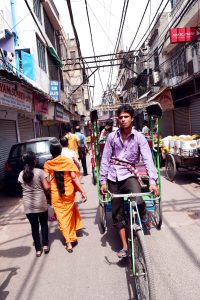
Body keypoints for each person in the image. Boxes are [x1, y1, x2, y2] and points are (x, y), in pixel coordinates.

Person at [100, 104, 159, 258]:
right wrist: (102, 182)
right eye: (120, 117)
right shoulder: (112, 137)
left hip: (129, 175)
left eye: (126, 117)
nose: (123, 120)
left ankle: (144, 213)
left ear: (132, 119)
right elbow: (105, 159)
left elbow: (148, 159)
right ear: (117, 120)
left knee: (139, 200)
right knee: (116, 215)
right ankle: (125, 247)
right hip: (113, 176)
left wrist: (152, 181)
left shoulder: (139, 137)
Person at [44, 142, 87, 253]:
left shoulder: (48, 164)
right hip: (68, 192)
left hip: (56, 195)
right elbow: (74, 177)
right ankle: (71, 236)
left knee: (62, 218)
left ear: (51, 152)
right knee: (69, 214)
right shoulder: (67, 161)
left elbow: (47, 182)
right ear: (60, 151)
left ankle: (68, 242)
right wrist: (82, 191)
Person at [18, 151, 50, 257]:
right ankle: (45, 245)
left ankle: (38, 250)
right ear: (34, 161)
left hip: (28, 205)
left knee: (34, 227)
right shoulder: (40, 172)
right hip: (41, 203)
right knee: (44, 224)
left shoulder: (21, 174)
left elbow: (21, 187)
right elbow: (46, 188)